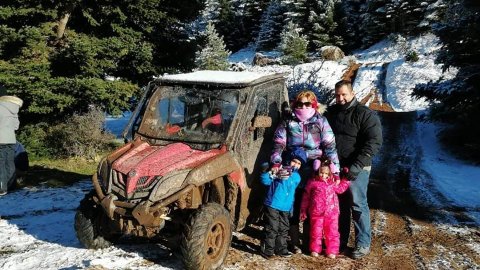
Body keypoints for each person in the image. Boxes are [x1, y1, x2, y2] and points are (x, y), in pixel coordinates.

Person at [270, 90, 340, 254]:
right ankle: (293, 241)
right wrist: (276, 162)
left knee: (313, 203)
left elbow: (330, 147)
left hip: (314, 167)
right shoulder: (288, 121)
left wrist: (334, 170)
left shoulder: (320, 121)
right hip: (292, 165)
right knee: (293, 203)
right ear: (295, 104)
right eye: (300, 103)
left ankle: (310, 242)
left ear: (314, 105)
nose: (303, 106)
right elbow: (278, 143)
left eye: (307, 103)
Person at [325, 80, 383, 259]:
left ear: (352, 93)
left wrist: (357, 165)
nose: (340, 98)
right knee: (339, 206)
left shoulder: (365, 114)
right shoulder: (332, 113)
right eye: (337, 95)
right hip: (336, 167)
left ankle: (362, 243)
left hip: (358, 166)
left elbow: (374, 142)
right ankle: (339, 241)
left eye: (344, 94)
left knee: (358, 204)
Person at [260, 148, 306, 259]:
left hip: (286, 207)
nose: (296, 165)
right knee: (272, 227)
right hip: (273, 203)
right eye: (294, 161)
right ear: (289, 160)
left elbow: (292, 193)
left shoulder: (297, 177)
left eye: (299, 163)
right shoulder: (279, 169)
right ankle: (267, 250)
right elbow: (266, 181)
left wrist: (291, 208)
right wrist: (265, 172)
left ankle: (281, 248)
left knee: (284, 229)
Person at [300, 157, 350, 258]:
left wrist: (345, 179)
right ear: (317, 172)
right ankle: (315, 249)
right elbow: (306, 197)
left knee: (332, 232)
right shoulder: (312, 183)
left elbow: (341, 189)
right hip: (316, 212)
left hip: (332, 212)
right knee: (315, 232)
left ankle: (332, 250)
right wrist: (303, 210)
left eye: (327, 174)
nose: (324, 175)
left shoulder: (333, 183)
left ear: (330, 174)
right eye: (321, 173)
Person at [0, 94, 23, 196]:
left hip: (0, 139)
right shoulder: (14, 109)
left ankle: (2, 188)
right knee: (9, 162)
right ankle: (11, 186)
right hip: (11, 139)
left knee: (1, 163)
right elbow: (16, 126)